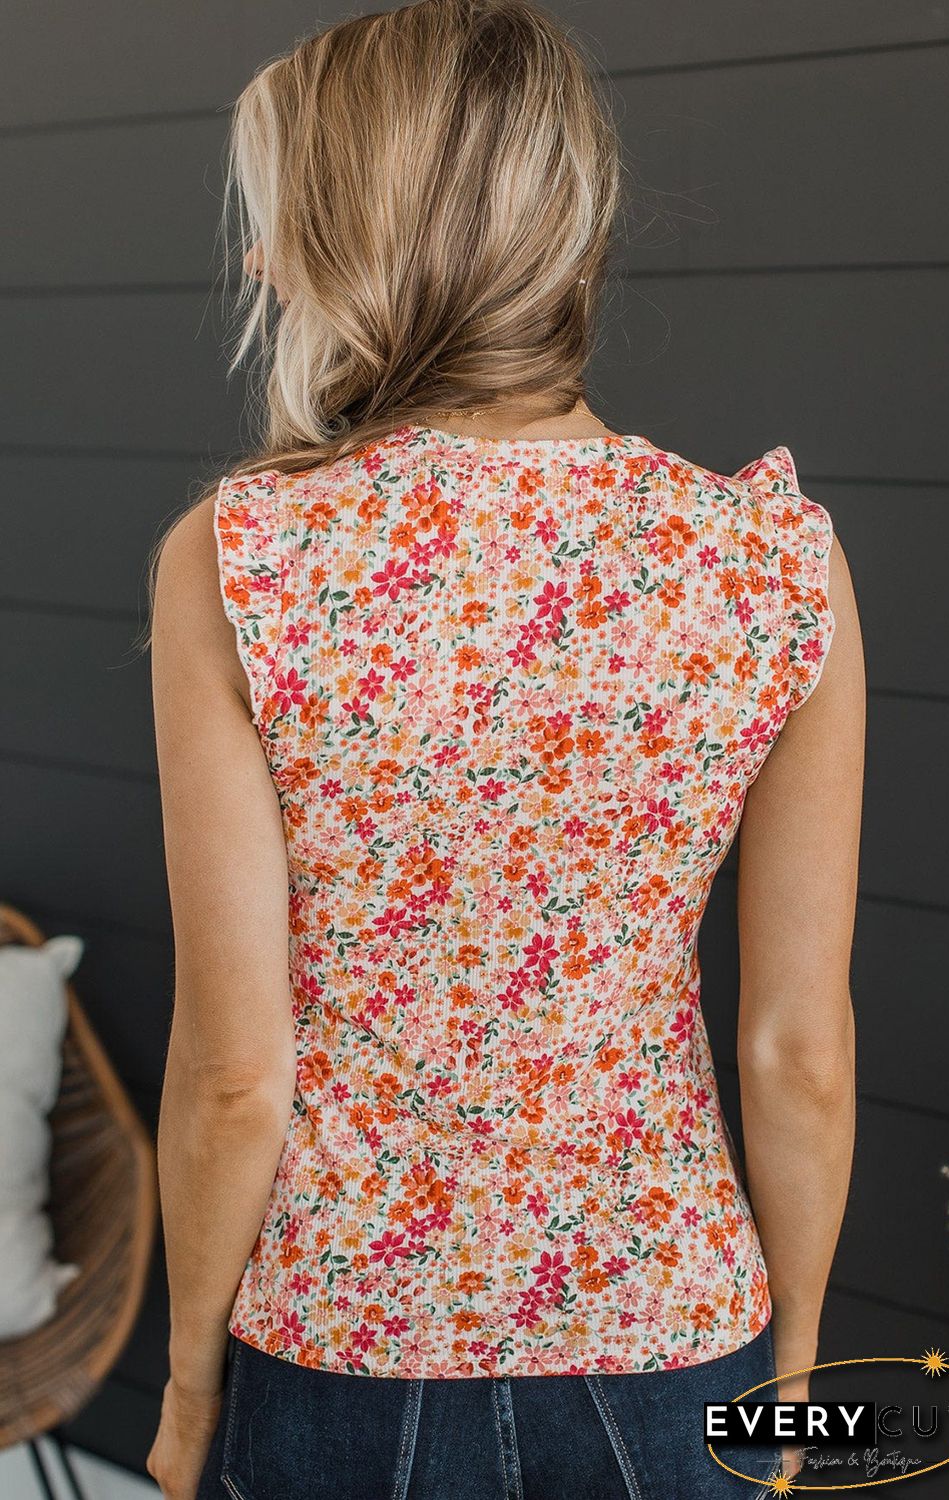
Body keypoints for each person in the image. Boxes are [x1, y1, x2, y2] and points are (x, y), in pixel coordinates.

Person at [143, 2, 863, 1497]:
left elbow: (232, 1075)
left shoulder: (245, 559)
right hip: (677, 1342)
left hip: (340, 1345)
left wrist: (188, 1383)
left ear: (364, 243)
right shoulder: (771, 563)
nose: (263, 264)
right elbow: (798, 1051)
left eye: (282, 225)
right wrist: (796, 1375)